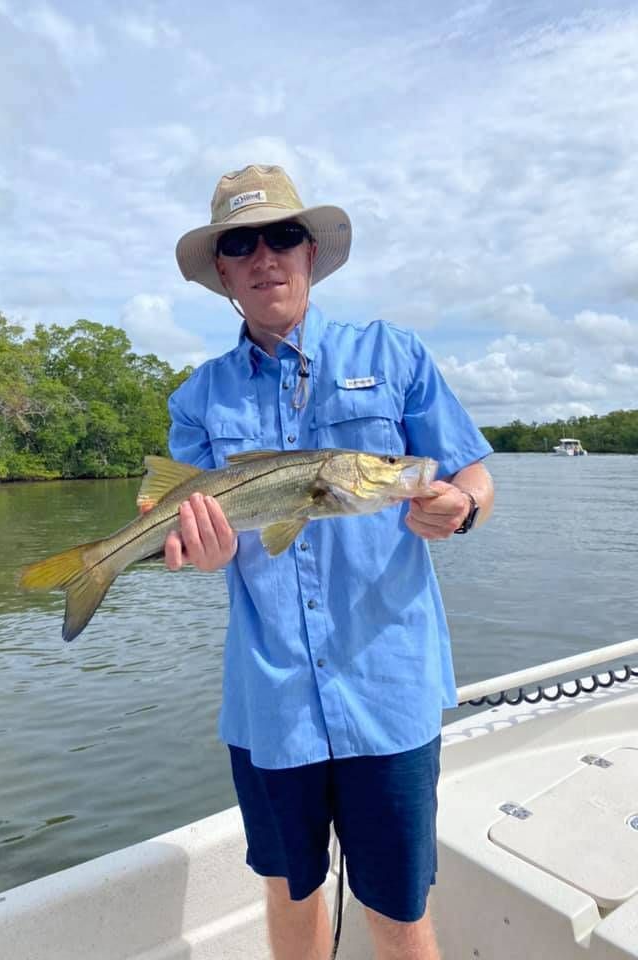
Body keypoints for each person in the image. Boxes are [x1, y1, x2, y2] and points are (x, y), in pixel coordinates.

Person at [146, 164, 494, 960]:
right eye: (241, 242)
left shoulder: (394, 353)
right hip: (270, 702)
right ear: (224, 271)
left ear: (311, 253)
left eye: (284, 236)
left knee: (400, 907)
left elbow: (473, 474)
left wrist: (462, 509)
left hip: (390, 688)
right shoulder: (197, 400)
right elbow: (197, 544)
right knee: (290, 889)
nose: (266, 255)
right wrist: (195, 553)